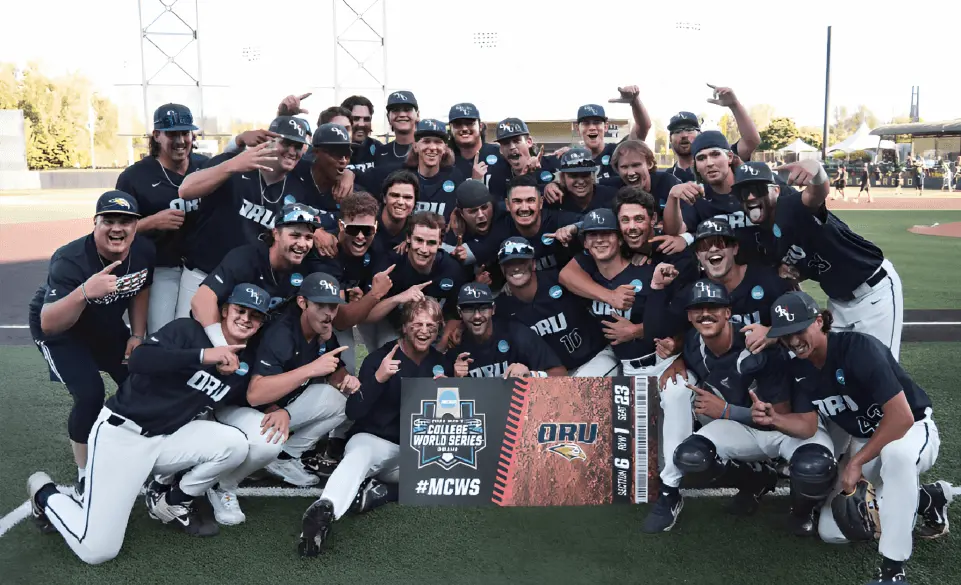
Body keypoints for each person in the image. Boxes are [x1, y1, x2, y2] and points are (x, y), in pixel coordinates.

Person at [28, 283, 269, 563]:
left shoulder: (244, 363)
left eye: (255, 316)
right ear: (225, 310)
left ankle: (169, 502)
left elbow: (243, 398)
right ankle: (45, 493)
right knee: (97, 550)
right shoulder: (187, 331)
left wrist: (278, 409)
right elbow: (140, 359)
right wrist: (203, 356)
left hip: (166, 440)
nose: (246, 319)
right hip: (123, 437)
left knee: (236, 443)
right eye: (240, 310)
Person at [761, 291, 950, 585]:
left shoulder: (858, 347)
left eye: (799, 330)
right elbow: (809, 424)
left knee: (897, 456)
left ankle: (893, 570)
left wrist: (856, 462)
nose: (793, 341)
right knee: (834, 530)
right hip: (868, 439)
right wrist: (776, 419)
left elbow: (901, 417)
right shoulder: (798, 367)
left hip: (911, 429)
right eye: (785, 335)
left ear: (821, 321)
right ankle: (928, 498)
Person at [641, 279, 834, 533]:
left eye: (714, 307)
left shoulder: (757, 345)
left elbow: (780, 416)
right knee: (691, 457)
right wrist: (677, 362)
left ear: (728, 313)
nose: (705, 314)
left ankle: (801, 512)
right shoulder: (692, 343)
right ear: (689, 316)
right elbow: (687, 349)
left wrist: (725, 411)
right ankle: (756, 478)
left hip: (787, 429)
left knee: (814, 466)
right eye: (698, 309)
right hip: (743, 428)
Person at [299, 298, 453, 558]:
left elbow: (449, 427)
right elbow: (353, 411)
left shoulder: (442, 364)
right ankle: (322, 514)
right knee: (358, 456)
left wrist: (453, 389)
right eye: (417, 324)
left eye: (431, 325)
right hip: (375, 442)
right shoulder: (380, 358)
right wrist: (378, 379)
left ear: (438, 329)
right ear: (404, 327)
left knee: (450, 470)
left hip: (412, 452)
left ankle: (383, 493)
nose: (424, 330)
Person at [28, 191, 155, 499]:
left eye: (125, 221)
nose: (117, 229)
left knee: (140, 382)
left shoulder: (144, 250)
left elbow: (141, 288)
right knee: (90, 394)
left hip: (105, 324)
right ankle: (85, 473)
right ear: (95, 224)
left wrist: (137, 335)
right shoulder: (70, 258)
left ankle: (122, 446)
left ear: (136, 226)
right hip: (63, 330)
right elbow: (50, 323)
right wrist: (85, 291)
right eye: (108, 221)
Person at [203, 273, 360, 523]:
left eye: (333, 306)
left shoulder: (323, 331)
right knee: (269, 440)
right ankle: (222, 485)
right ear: (302, 303)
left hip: (278, 403)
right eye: (321, 305)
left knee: (342, 402)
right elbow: (255, 394)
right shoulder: (281, 333)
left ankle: (285, 458)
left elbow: (334, 368)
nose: (328, 313)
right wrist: (308, 373)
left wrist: (346, 380)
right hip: (236, 406)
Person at [732, 160, 904, 360]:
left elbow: (816, 193)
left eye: (758, 189)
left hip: (873, 290)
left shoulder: (790, 207)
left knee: (882, 367)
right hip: (838, 302)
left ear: (776, 191)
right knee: (836, 366)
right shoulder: (765, 238)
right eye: (744, 193)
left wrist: (816, 170)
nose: (751, 197)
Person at [177, 116, 314, 314]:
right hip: (203, 272)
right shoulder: (235, 163)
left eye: (298, 146)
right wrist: (233, 165)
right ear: (269, 141)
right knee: (187, 338)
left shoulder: (297, 188)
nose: (292, 151)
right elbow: (186, 190)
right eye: (286, 143)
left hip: (249, 283)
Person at [559, 207, 686, 377]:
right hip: (625, 366)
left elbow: (682, 320)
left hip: (663, 362)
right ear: (585, 243)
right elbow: (565, 276)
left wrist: (639, 330)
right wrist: (610, 296)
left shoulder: (647, 271)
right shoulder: (590, 279)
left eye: (606, 234)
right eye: (592, 235)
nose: (599, 240)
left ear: (619, 239)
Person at [116, 103, 205, 334]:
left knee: (193, 333)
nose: (180, 140)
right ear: (157, 135)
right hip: (159, 269)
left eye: (185, 133)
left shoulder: (205, 167)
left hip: (200, 268)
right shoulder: (134, 177)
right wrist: (150, 222)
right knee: (161, 334)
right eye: (172, 134)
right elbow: (113, 230)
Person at [190, 203, 325, 346]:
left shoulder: (307, 269)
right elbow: (201, 301)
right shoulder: (247, 258)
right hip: (214, 338)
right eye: (295, 235)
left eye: (308, 237)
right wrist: (221, 348)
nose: (302, 244)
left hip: (258, 346)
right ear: (276, 234)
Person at [495, 237, 614, 376]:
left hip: (596, 356)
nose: (516, 268)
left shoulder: (559, 280)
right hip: (554, 374)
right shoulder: (501, 308)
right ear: (502, 269)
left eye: (521, 261)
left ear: (533, 264)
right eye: (509, 263)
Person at [679, 218, 792, 349]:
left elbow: (799, 318)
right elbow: (680, 336)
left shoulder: (766, 280)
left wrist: (772, 333)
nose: (713, 249)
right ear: (698, 255)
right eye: (705, 246)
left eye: (721, 243)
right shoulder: (694, 291)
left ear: (735, 249)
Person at [662, 131, 770, 265]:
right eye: (701, 158)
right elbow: (675, 231)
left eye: (715, 154)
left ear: (730, 157)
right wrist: (673, 196)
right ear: (695, 166)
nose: (709, 163)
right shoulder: (699, 197)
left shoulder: (756, 186)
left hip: (767, 272)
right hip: (721, 278)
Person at [366, 212, 466, 349]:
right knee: (390, 357)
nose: (424, 249)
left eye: (431, 243)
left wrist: (441, 345)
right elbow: (368, 315)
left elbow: (455, 314)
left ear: (440, 243)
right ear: (408, 238)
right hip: (394, 327)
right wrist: (399, 298)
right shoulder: (390, 265)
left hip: (433, 329)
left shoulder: (452, 269)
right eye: (419, 240)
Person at [469, 174, 583, 273]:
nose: (524, 208)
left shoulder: (557, 220)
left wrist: (573, 228)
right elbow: (466, 254)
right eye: (517, 201)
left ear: (541, 203)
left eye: (530, 200)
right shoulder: (501, 228)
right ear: (508, 205)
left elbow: (595, 220)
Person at [451, 282, 566, 378]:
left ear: (493, 309)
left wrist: (531, 375)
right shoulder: (456, 346)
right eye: (469, 309)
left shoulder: (517, 334)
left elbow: (560, 373)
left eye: (483, 308)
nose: (477, 316)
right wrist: (456, 380)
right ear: (459, 312)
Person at [666, 85, 761, 183]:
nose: (684, 135)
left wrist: (734, 105)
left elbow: (751, 141)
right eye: (677, 132)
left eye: (689, 130)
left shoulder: (723, 158)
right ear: (670, 139)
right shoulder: (665, 179)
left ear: (700, 134)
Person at [404, 119, 468, 222]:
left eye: (438, 142)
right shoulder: (403, 177)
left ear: (445, 148)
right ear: (415, 146)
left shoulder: (455, 177)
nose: (433, 147)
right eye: (426, 141)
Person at [486, 117, 553, 201]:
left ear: (529, 142)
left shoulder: (549, 165)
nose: (512, 147)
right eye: (506, 143)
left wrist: (556, 183)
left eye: (516, 141)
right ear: (501, 149)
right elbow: (497, 207)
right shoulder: (498, 176)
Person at [608, 139, 681, 212]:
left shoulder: (668, 183)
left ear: (649, 164)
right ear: (617, 169)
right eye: (624, 167)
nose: (631, 173)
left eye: (636, 165)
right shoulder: (611, 188)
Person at [545, 147, 618, 213]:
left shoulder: (612, 197)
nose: (580, 181)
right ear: (562, 177)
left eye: (585, 175)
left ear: (593, 175)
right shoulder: (554, 199)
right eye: (573, 176)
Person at [448, 102, 500, 183]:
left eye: (469, 123)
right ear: (450, 128)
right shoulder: (446, 161)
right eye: (458, 124)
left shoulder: (499, 153)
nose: (464, 128)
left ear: (480, 126)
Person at [340, 95, 381, 186]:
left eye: (366, 119)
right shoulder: (331, 149)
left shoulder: (379, 148)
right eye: (356, 119)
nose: (361, 124)